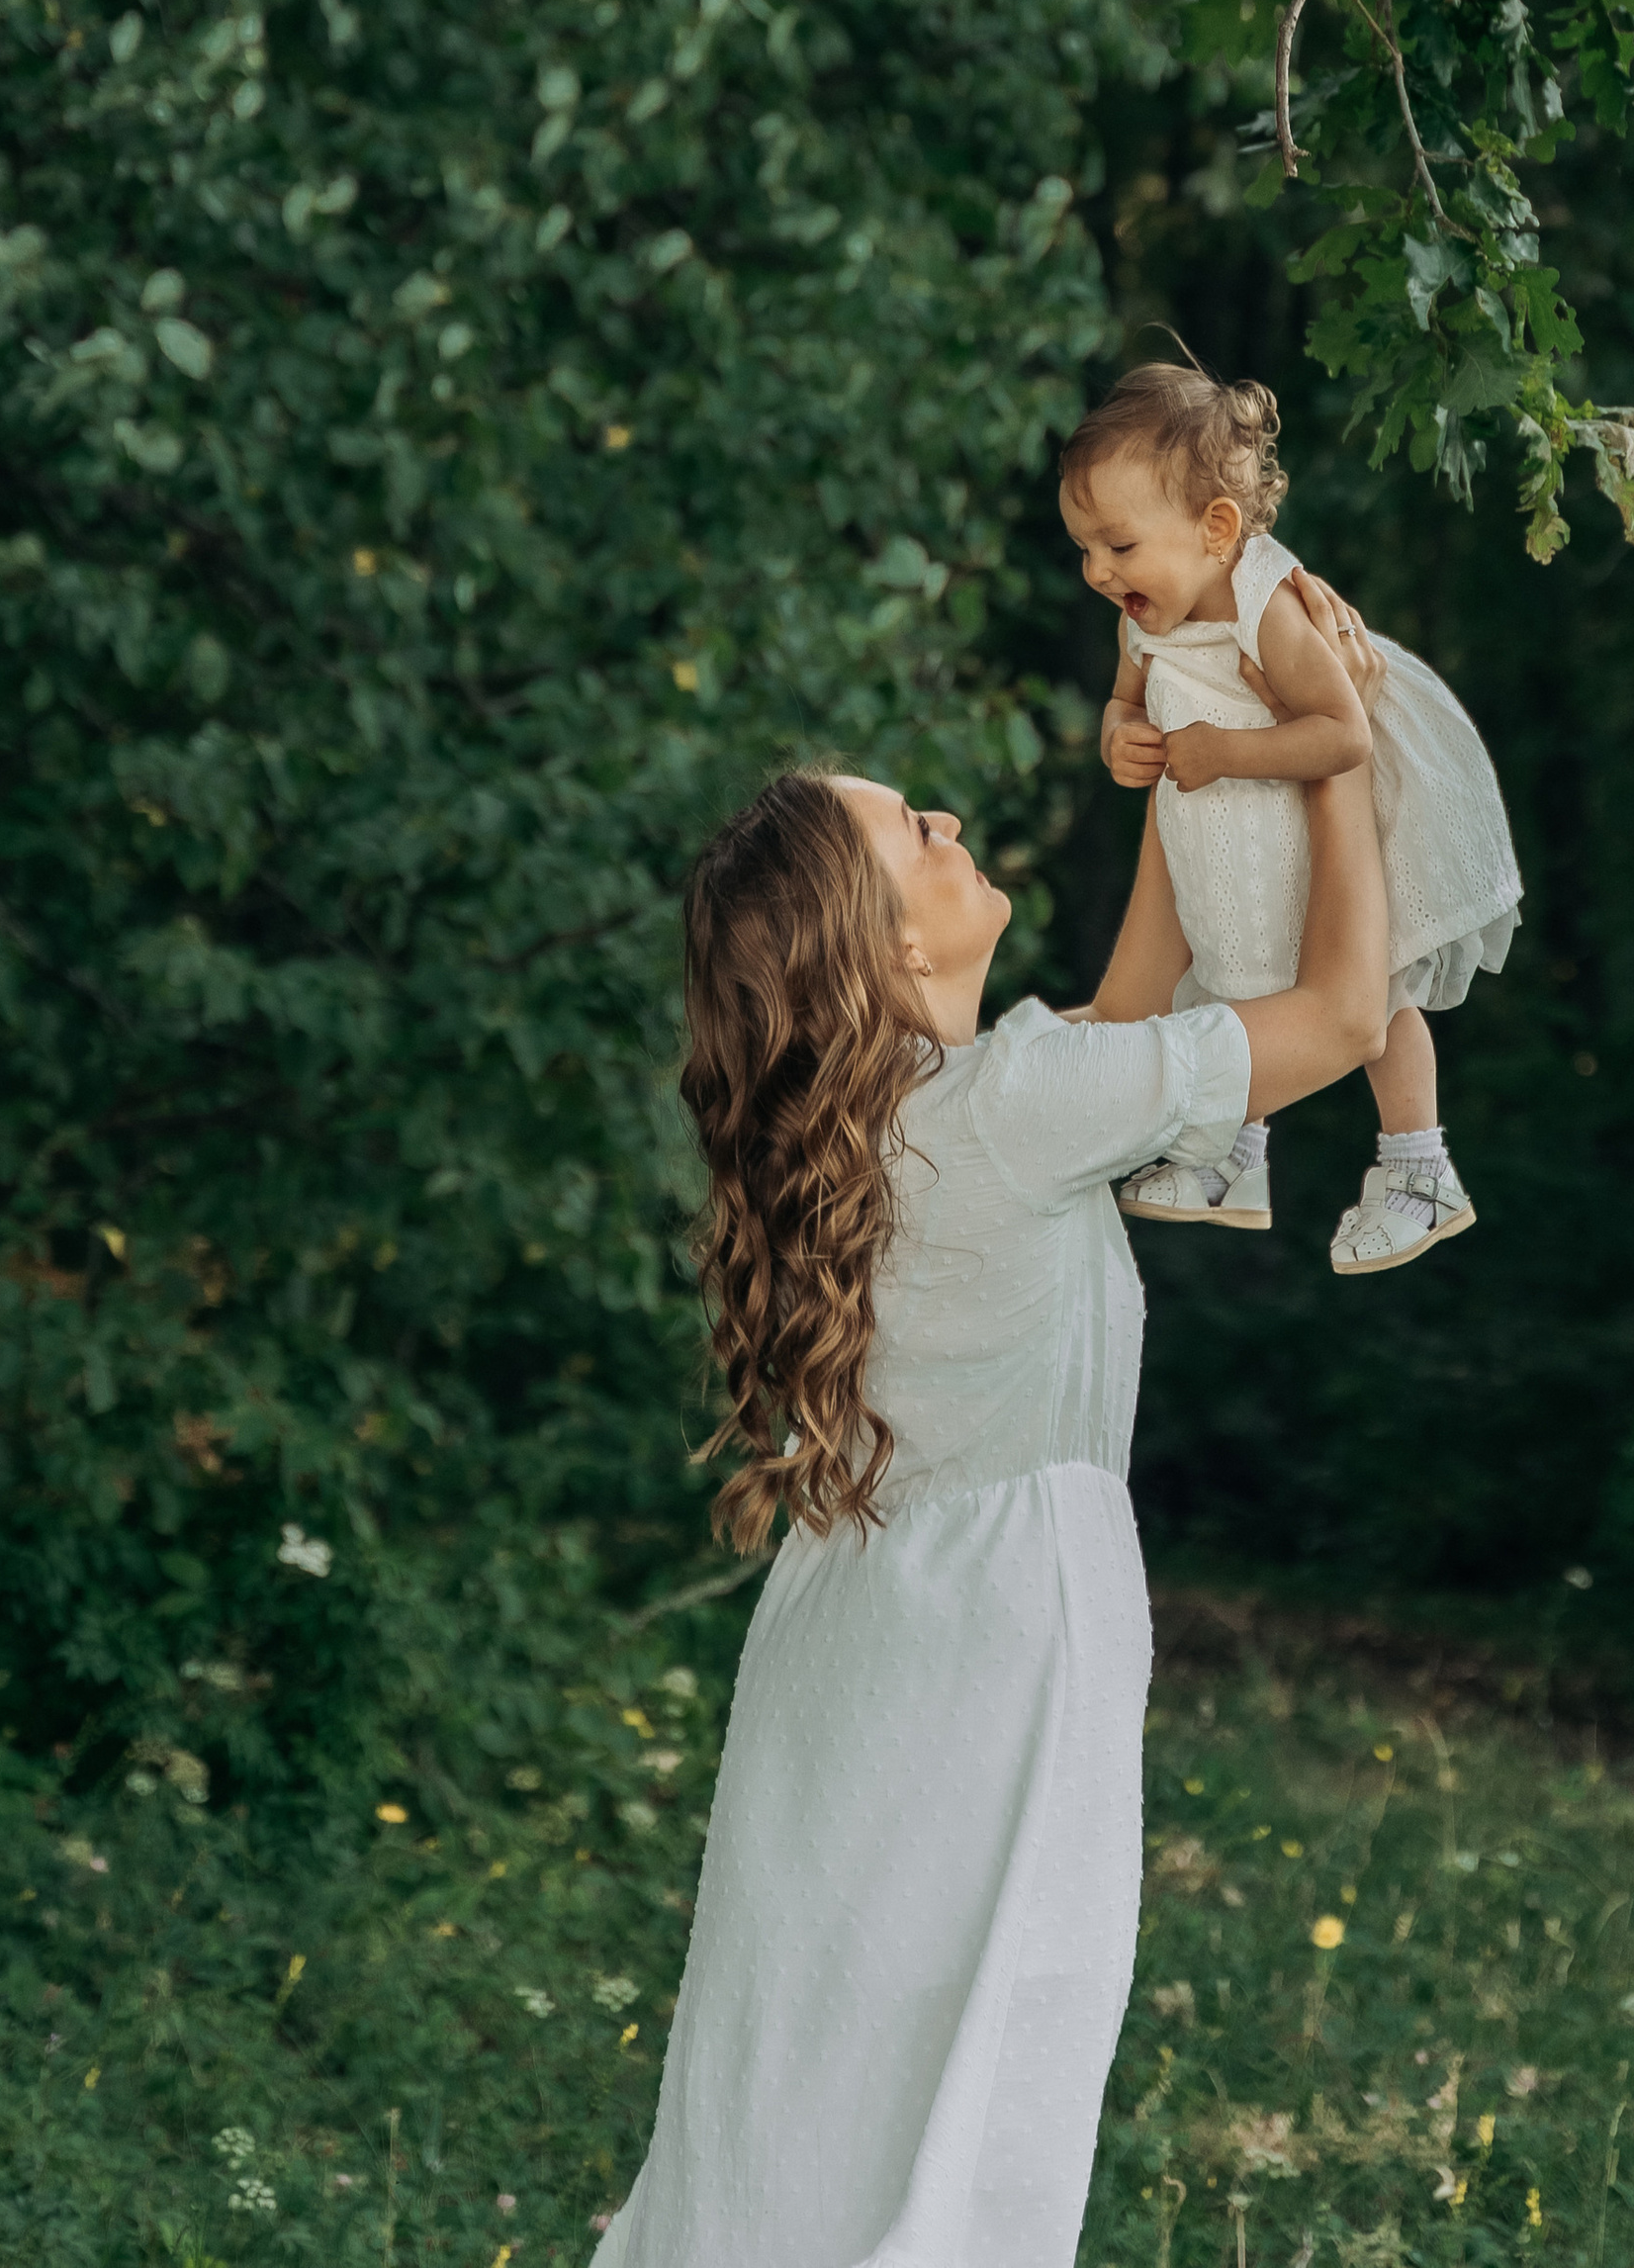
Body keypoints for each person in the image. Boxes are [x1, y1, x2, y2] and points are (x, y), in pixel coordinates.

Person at [590, 598, 1388, 2268]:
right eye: (915, 830)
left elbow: (1136, 1013)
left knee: (814, 2065)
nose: (951, 820)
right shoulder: (1014, 1111)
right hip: (1002, 1642)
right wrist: (1338, 767)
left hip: (858, 1635)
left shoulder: (917, 1117)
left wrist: (1195, 767)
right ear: (887, 947)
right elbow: (1345, 1017)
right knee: (987, 2054)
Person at [1057, 360, 1521, 1273]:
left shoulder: (1270, 607)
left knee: (1379, 996)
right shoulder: (1143, 615)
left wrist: (1223, 752)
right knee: (1237, 980)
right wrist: (1121, 738)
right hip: (1230, 841)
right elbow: (1125, 701)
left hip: (1312, 834)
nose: (1097, 572)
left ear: (1216, 528)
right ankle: (1233, 1160)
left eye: (1117, 545)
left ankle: (1420, 1168)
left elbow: (1342, 734)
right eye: (1083, 548)